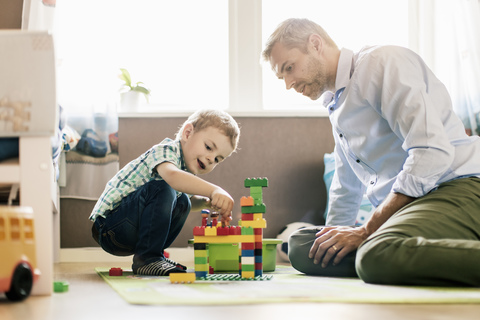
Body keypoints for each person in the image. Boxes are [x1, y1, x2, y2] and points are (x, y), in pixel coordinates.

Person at [262, 18, 480, 286]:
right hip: (411, 206)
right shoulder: (335, 103)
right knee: (302, 245)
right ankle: (394, 253)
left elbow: (432, 150)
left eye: (289, 68)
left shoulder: (381, 63)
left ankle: (381, 253)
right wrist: (332, 235)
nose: (288, 84)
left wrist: (368, 229)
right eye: (281, 75)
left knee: (375, 254)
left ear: (315, 44)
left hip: (453, 187)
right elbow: (346, 185)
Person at [90, 109, 240, 276]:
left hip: (132, 232)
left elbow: (187, 199)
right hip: (110, 226)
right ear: (188, 133)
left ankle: (152, 255)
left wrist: (207, 201)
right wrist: (214, 189)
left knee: (184, 201)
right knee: (164, 187)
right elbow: (172, 177)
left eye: (218, 159)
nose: (211, 159)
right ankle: (148, 258)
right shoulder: (166, 150)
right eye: (208, 147)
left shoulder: (186, 173)